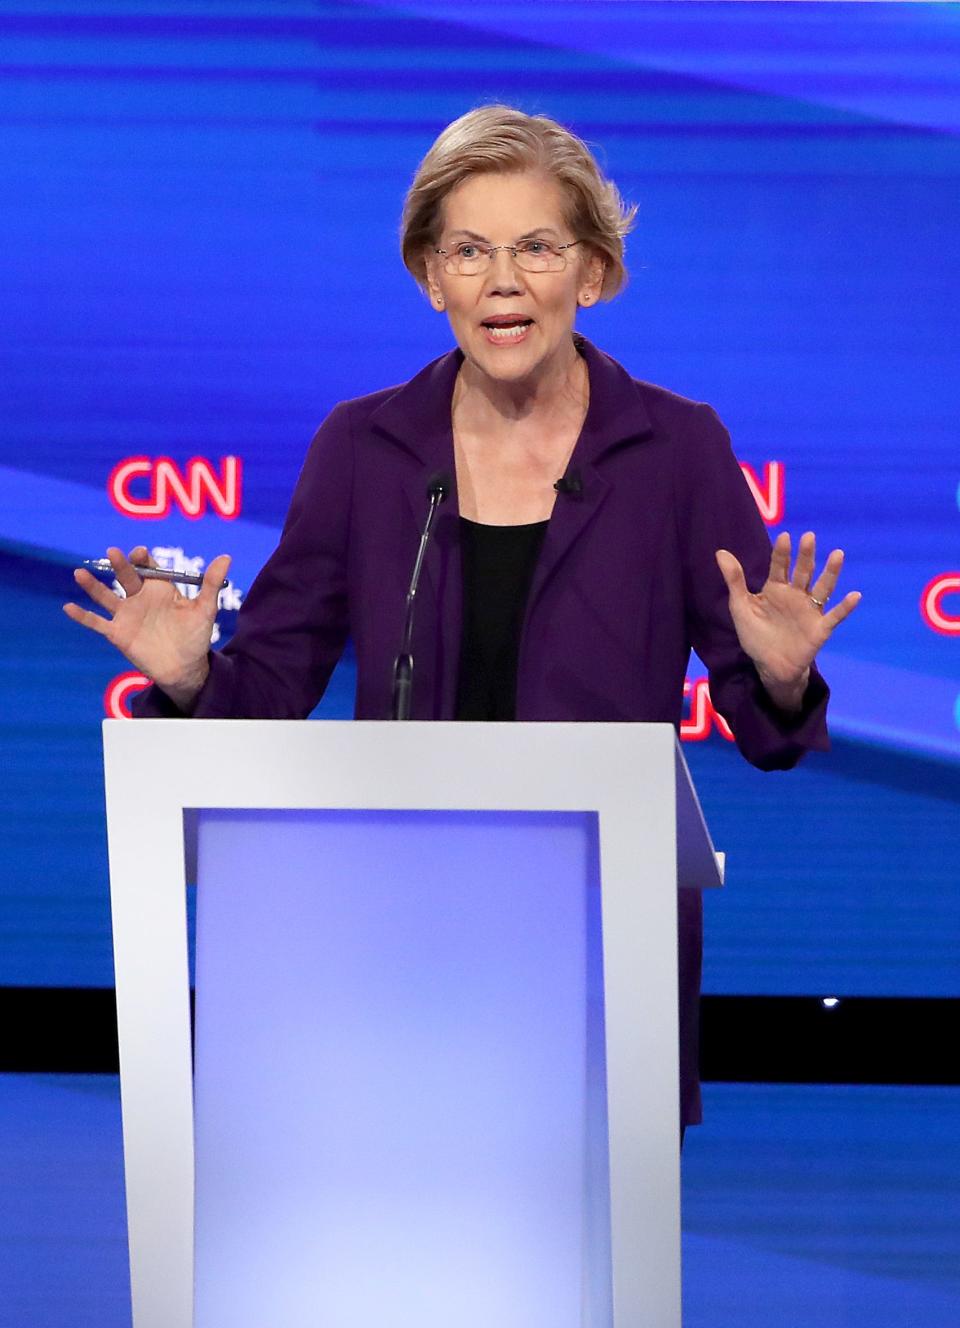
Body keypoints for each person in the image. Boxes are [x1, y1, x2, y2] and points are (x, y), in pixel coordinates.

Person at [64, 105, 860, 1127]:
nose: (502, 280)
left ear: (594, 273)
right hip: (392, 932)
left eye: (537, 247)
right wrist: (187, 677)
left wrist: (783, 676)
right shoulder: (365, 447)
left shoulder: (677, 449)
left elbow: (764, 731)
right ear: (430, 278)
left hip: (595, 942)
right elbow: (268, 690)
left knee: (591, 1276)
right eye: (469, 250)